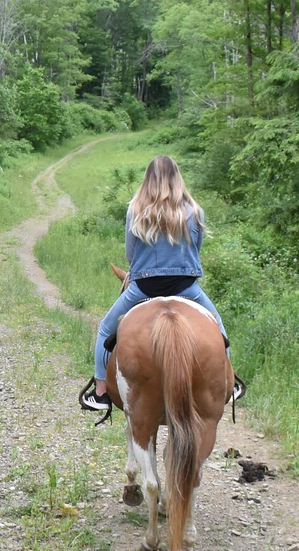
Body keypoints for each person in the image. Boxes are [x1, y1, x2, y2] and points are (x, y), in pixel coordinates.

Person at [80, 155, 234, 412]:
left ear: (148, 179)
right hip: (186, 288)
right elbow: (196, 249)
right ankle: (227, 384)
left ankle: (100, 391)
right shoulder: (194, 211)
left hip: (144, 287)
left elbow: (130, 254)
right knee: (219, 329)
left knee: (106, 329)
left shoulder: (136, 210)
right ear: (177, 178)